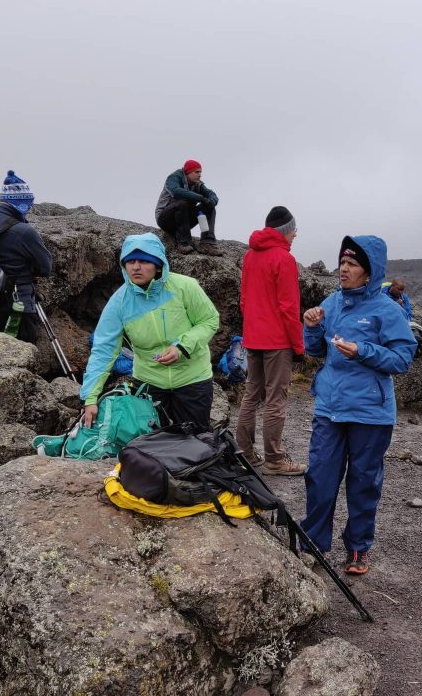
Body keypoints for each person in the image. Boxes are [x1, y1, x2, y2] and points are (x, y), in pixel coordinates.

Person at [301, 236, 416, 575]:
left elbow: (403, 359)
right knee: (320, 477)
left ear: (370, 273)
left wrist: (363, 351)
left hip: (371, 412)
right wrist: (312, 328)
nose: (343, 269)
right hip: (330, 407)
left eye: (352, 265)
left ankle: (358, 547)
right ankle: (314, 543)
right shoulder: (332, 303)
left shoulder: (387, 310)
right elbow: (317, 351)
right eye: (342, 263)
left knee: (363, 482)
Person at [80, 233, 220, 431]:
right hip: (149, 384)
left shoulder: (185, 287)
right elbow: (104, 349)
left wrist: (182, 346)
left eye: (144, 261)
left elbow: (209, 320)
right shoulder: (120, 302)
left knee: (196, 443)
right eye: (130, 261)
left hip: (193, 380)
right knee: (154, 448)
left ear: (158, 264)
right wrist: (91, 397)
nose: (136, 267)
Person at [235, 206, 307, 476]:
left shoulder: (250, 256)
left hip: (253, 338)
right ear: (286, 231)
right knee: (276, 398)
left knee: (251, 393)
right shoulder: (284, 260)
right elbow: (289, 307)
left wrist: (253, 327)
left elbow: (243, 300)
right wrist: (298, 346)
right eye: (293, 231)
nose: (295, 235)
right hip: (277, 341)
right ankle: (274, 460)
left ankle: (243, 452)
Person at [0, 170, 53, 344]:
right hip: (18, 307)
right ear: (23, 202)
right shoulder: (25, 232)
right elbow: (46, 268)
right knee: (21, 354)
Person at [154, 159, 222, 256]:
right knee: (182, 202)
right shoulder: (174, 177)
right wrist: (201, 198)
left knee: (208, 207)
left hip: (184, 221)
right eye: (196, 172)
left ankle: (207, 242)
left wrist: (212, 201)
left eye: (200, 172)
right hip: (165, 219)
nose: (199, 175)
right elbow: (176, 191)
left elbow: (211, 194)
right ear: (188, 172)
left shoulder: (198, 184)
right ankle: (183, 242)